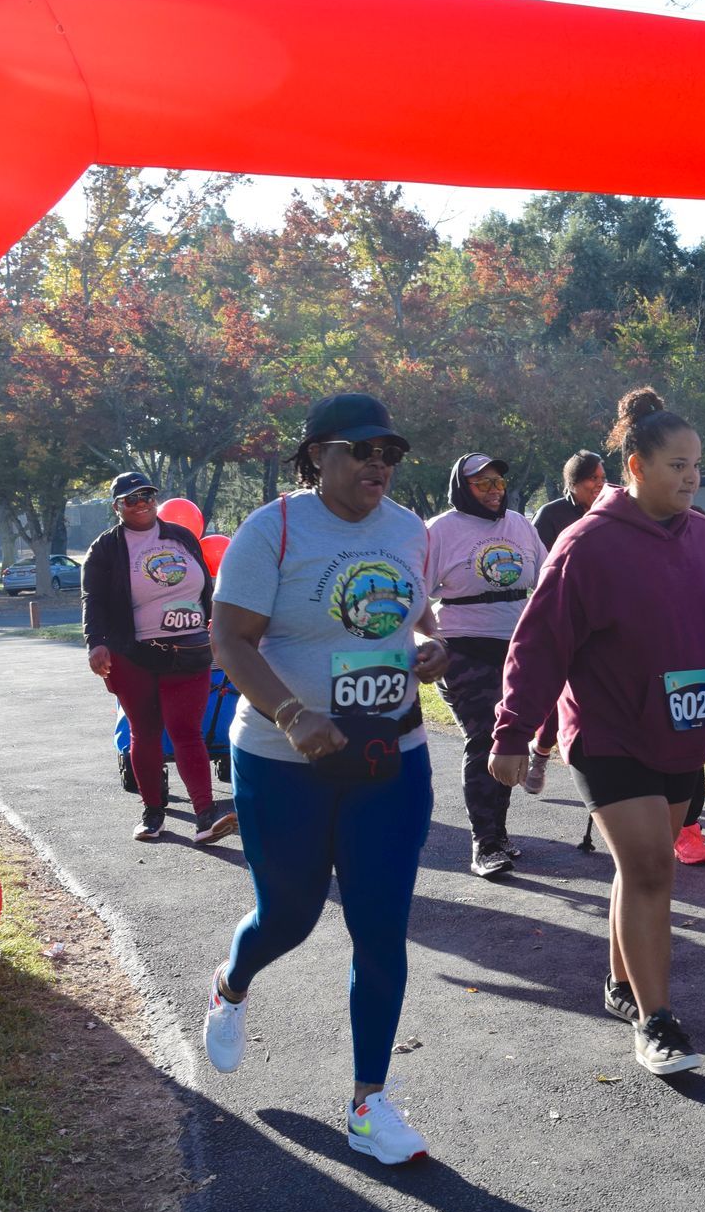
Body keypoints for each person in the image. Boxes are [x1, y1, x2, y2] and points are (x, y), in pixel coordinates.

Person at [490, 388, 705, 1076]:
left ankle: (622, 986)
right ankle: (657, 1021)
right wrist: (511, 734)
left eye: (697, 465)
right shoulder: (587, 544)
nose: (691, 477)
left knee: (640, 869)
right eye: (677, 464)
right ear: (636, 466)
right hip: (608, 732)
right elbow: (539, 646)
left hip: (682, 731)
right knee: (653, 867)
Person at [201, 393, 450, 1166]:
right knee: (290, 916)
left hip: (390, 759)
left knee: (379, 930)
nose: (380, 464)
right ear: (316, 454)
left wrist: (430, 645)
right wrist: (290, 714)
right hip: (285, 764)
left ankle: (368, 1103)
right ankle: (232, 983)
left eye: (391, 454)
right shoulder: (272, 530)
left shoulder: (410, 530)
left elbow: (414, 619)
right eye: (362, 450)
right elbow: (229, 641)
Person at [82, 470, 231, 844]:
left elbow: (206, 587)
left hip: (189, 652)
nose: (142, 504)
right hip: (133, 654)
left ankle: (205, 815)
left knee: (187, 733)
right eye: (131, 499)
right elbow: (93, 600)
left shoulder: (180, 537)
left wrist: (214, 622)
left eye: (147, 495)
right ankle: (153, 813)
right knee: (145, 734)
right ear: (117, 507)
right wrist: (95, 642)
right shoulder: (105, 548)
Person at [427, 453, 547, 880]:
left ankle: (499, 832)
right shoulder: (440, 531)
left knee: (511, 739)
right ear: (463, 488)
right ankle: (486, 843)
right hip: (462, 647)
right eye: (483, 484)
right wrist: (428, 643)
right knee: (485, 738)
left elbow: (546, 579)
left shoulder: (520, 524)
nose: (495, 490)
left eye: (498, 482)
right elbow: (415, 593)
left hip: (518, 649)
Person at [521, 449, 608, 798]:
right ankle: (540, 752)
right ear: (573, 483)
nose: (600, 485)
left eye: (603, 478)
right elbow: (540, 571)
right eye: (592, 480)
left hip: (604, 615)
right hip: (562, 614)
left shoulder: (613, 509)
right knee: (560, 691)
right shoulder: (551, 515)